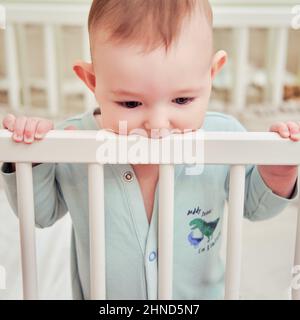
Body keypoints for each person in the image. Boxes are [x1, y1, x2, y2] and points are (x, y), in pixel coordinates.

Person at [1, 0, 299, 299]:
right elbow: (39, 214)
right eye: (131, 104)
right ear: (92, 81)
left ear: (211, 74)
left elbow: (254, 207)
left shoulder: (225, 137)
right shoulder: (73, 139)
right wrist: (33, 155)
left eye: (182, 100)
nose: (158, 124)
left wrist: (277, 171)